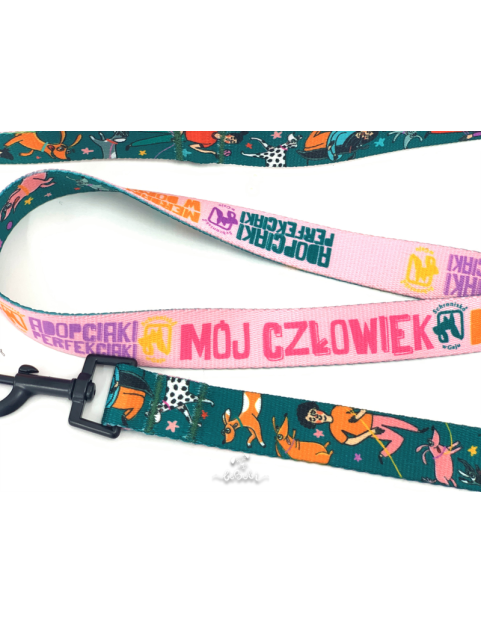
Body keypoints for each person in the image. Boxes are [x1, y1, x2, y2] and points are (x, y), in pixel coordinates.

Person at [297, 401, 427, 463]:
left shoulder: (337, 410)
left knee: (395, 422)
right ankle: (382, 455)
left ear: (317, 409)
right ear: (314, 423)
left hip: (373, 418)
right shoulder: (334, 430)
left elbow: (357, 410)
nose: (316, 417)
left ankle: (418, 430)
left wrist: (359, 415)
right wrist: (370, 432)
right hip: (372, 430)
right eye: (312, 419)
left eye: (313, 413)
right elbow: (351, 441)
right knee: (398, 439)